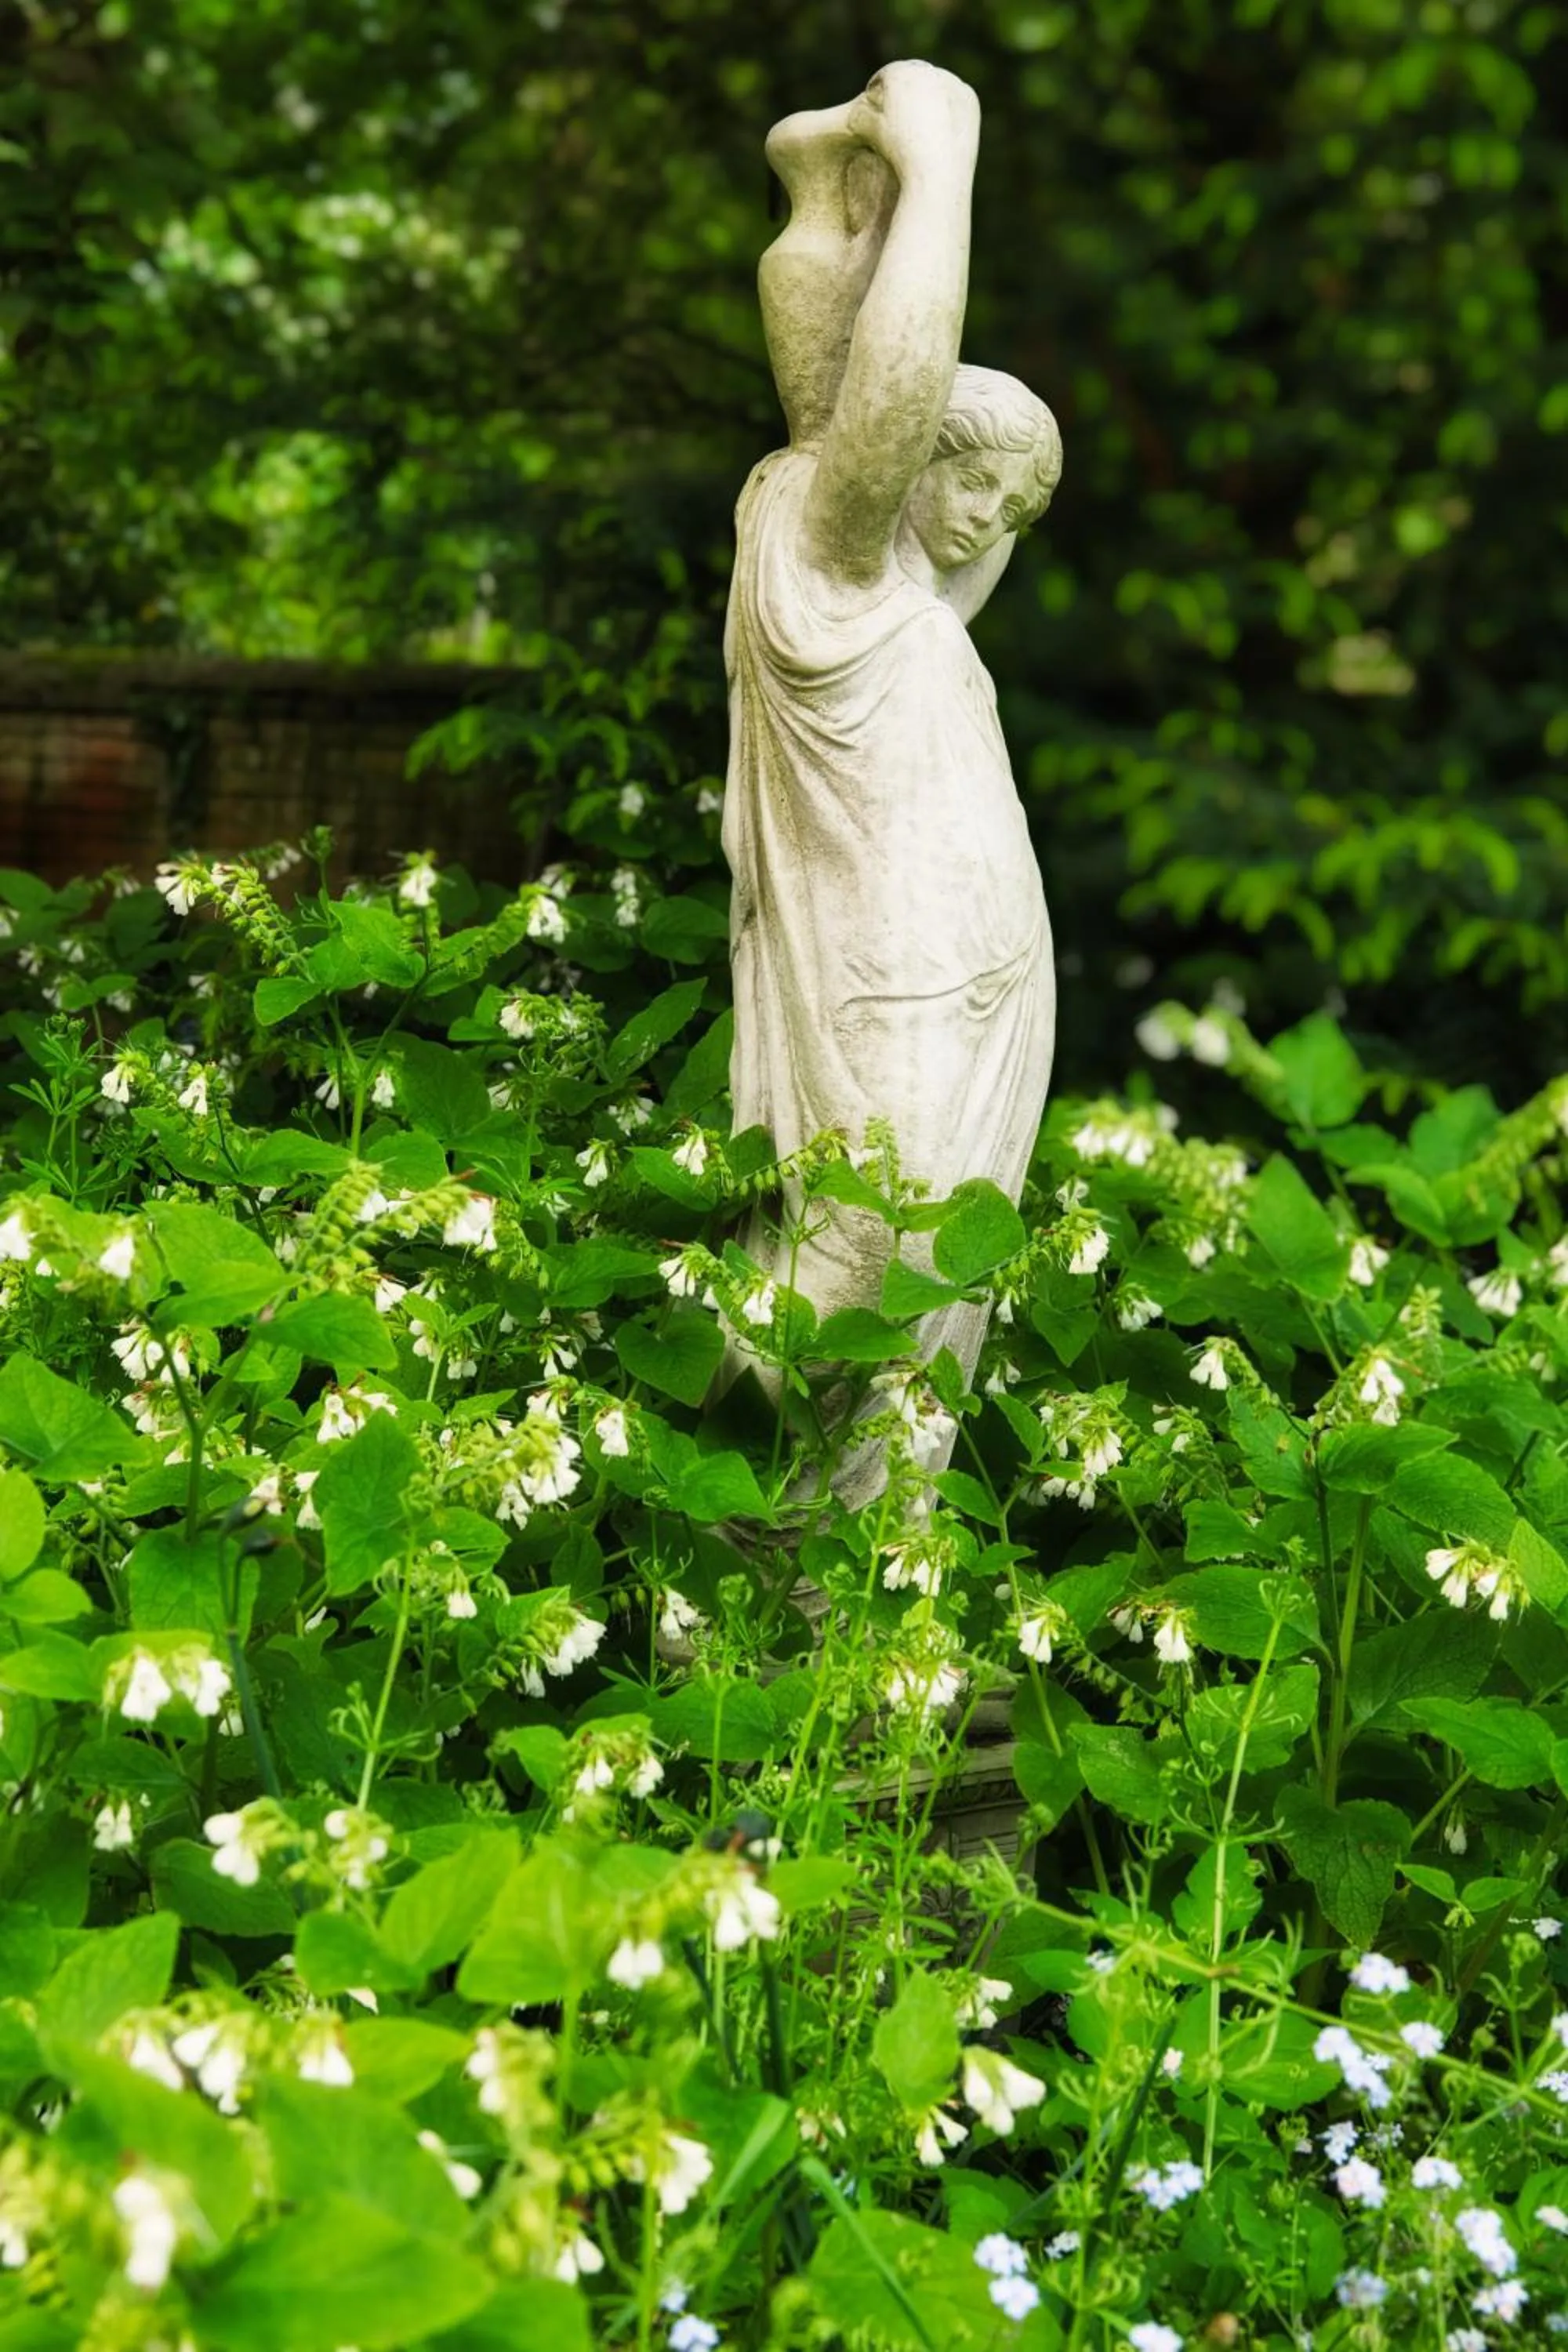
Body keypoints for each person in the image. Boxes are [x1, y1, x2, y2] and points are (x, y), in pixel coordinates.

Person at [721, 60, 1061, 1492]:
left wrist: (821, 209)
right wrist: (935, 161)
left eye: (1021, 510)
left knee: (931, 1314)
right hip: (887, 1003)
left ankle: (873, 1608)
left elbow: (872, 413)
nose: (992, 522)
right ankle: (799, 1614)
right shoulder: (822, 553)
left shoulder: (913, 595)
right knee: (864, 1270)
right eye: (975, 480)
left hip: (980, 1001)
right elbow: (880, 396)